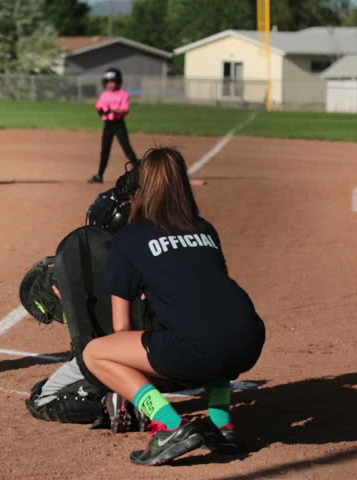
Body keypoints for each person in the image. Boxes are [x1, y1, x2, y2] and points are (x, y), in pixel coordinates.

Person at [80, 147, 265, 465]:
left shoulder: (130, 237)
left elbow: (121, 328)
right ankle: (222, 424)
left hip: (201, 348)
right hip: (248, 339)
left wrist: (136, 390)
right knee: (209, 331)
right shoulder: (205, 228)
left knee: (95, 353)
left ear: (142, 187)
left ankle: (168, 425)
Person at [88, 68, 138, 184]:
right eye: (108, 81)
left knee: (127, 148)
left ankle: (140, 172)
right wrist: (103, 111)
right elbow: (99, 108)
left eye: (113, 81)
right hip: (108, 124)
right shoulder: (105, 94)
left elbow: (124, 110)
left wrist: (113, 110)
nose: (110, 84)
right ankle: (99, 175)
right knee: (105, 150)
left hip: (119, 124)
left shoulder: (123, 94)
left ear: (119, 81)